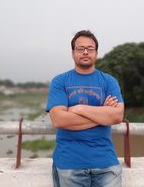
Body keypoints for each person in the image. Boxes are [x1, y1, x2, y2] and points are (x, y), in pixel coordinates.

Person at [46, 30, 124, 187]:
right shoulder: (60, 81)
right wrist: (102, 114)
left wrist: (79, 108)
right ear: (73, 52)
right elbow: (59, 120)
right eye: (80, 48)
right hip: (69, 164)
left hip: (106, 164)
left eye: (90, 48)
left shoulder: (109, 81)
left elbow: (117, 116)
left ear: (96, 52)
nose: (85, 52)